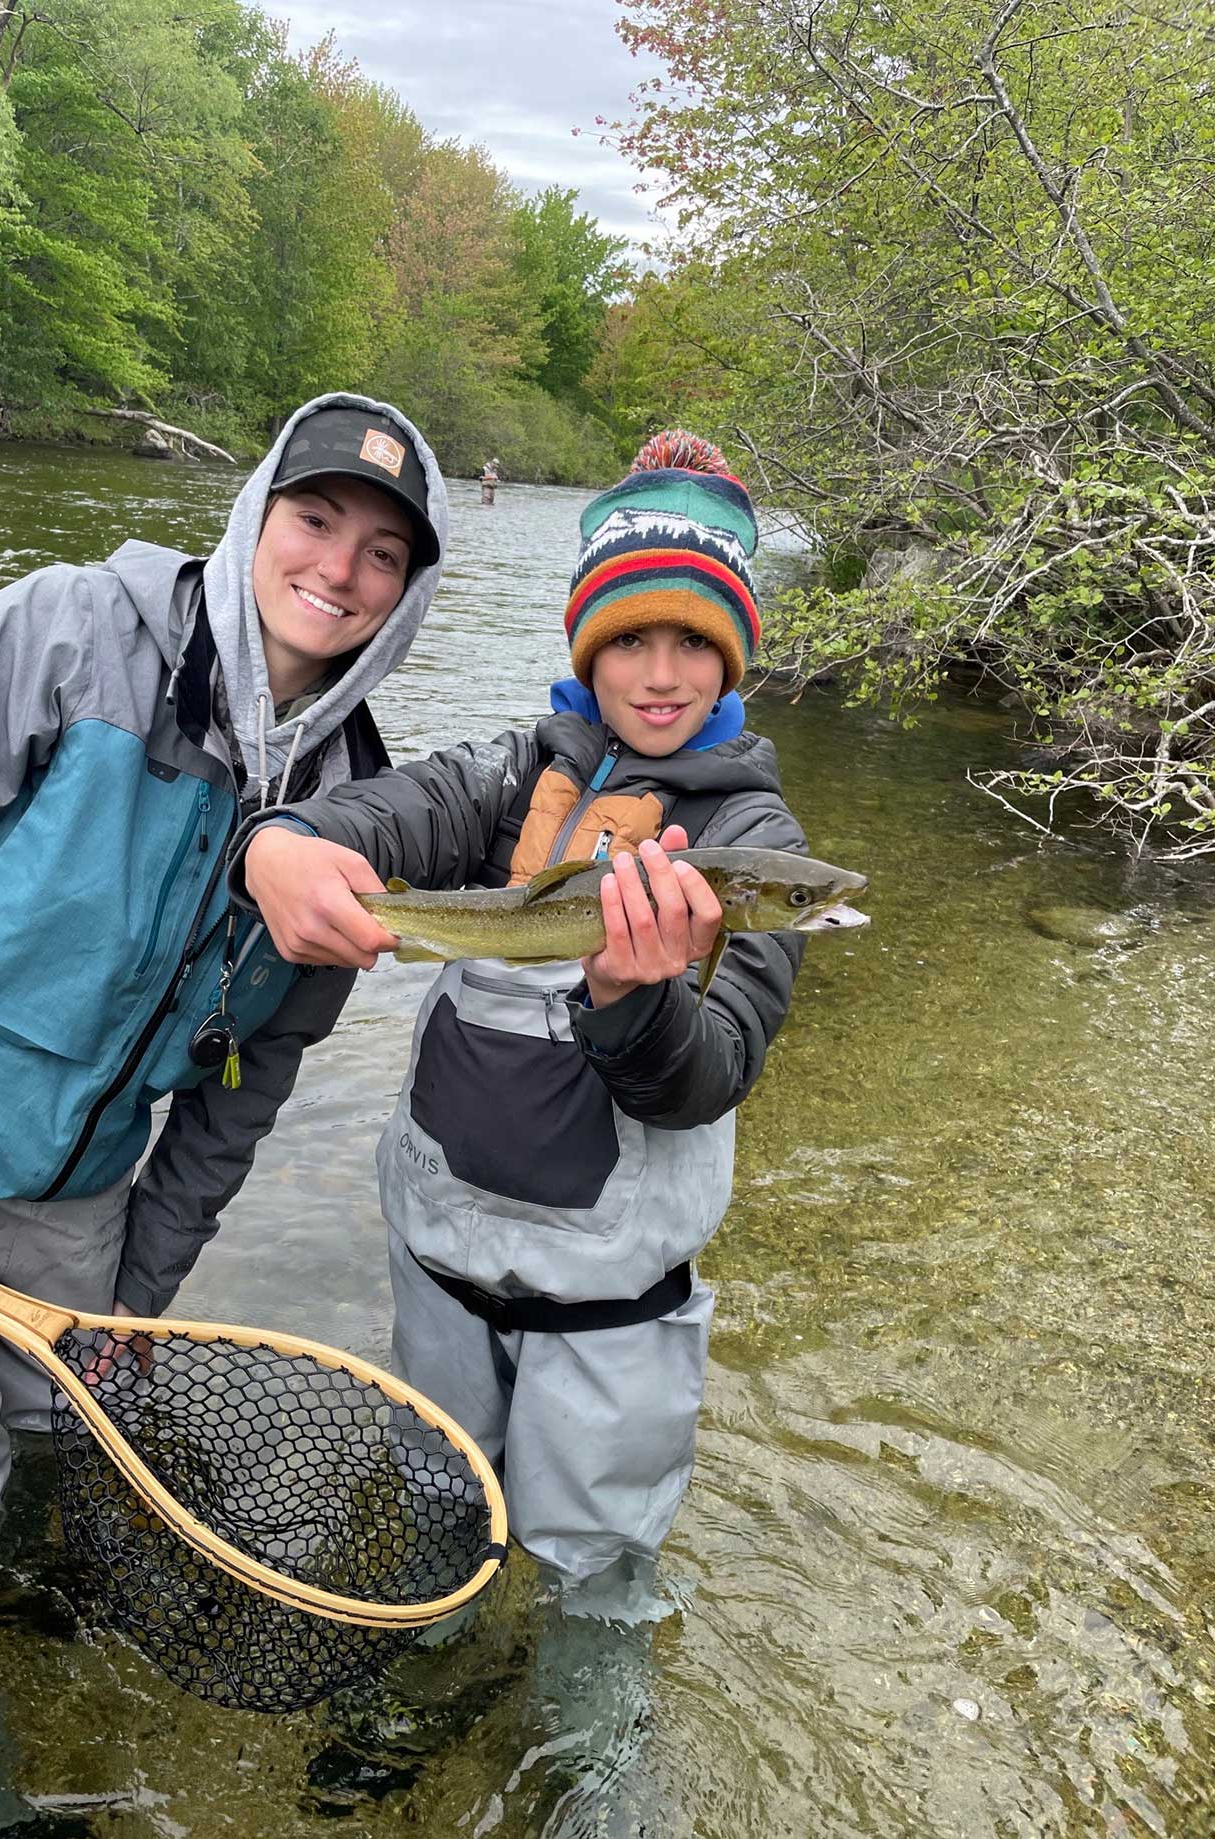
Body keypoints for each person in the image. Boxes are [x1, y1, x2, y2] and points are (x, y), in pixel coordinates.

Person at [0, 392, 447, 1839]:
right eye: (314, 521)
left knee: (60, 1443)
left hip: (78, 1202)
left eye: (381, 551)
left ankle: (12, 1590)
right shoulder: (65, 634)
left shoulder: (355, 805)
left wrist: (132, 1296)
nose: (338, 569)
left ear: (411, 592)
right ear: (254, 515)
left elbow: (243, 1102)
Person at [236, 429, 804, 1609]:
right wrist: (291, 842)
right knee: (437, 1507)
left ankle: (586, 1762)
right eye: (629, 640)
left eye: (691, 643)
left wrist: (632, 998)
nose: (658, 672)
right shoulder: (515, 775)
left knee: (591, 1573)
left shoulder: (756, 848)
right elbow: (396, 811)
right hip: (439, 1264)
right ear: (586, 655)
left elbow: (709, 1073)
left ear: (732, 658)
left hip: (610, 1313)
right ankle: (418, 1680)